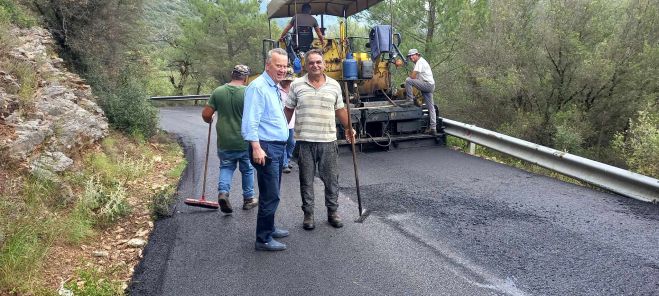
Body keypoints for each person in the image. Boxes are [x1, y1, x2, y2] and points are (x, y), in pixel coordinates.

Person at [284, 49, 356, 230]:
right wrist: (279, 132)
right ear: (306, 66)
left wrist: (349, 128)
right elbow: (288, 110)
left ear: (324, 64)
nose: (315, 65)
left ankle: (333, 212)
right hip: (305, 141)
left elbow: (340, 110)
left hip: (328, 141)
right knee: (306, 180)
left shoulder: (334, 85)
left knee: (331, 179)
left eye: (318, 62)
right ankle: (308, 215)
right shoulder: (296, 85)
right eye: (311, 63)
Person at [242, 48, 291, 251]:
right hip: (266, 147)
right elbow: (250, 120)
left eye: (284, 66)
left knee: (271, 190)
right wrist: (256, 147)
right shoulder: (258, 87)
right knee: (271, 194)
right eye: (278, 65)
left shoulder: (273, 86)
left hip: (276, 147)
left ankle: (269, 227)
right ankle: (263, 239)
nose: (282, 70)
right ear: (267, 65)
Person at [201, 65, 257, 213]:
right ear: (245, 78)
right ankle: (248, 199)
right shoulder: (248, 92)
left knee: (226, 167)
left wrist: (210, 119)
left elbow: (206, 115)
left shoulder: (218, 91)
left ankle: (223, 193)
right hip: (244, 139)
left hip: (225, 140)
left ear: (232, 75)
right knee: (247, 169)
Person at [404, 48, 437, 135]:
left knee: (408, 80)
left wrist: (411, 80)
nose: (411, 57)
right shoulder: (419, 63)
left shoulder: (420, 62)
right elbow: (417, 78)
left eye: (412, 55)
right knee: (431, 108)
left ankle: (410, 101)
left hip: (427, 85)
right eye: (410, 56)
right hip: (430, 85)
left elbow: (413, 77)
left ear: (417, 55)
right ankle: (433, 128)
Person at [278, 68, 296, 174]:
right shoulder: (276, 89)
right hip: (280, 121)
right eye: (286, 80)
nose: (287, 82)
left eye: (289, 80)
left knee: (292, 143)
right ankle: (284, 164)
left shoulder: (294, 88)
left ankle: (288, 159)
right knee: (283, 143)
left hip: (292, 121)